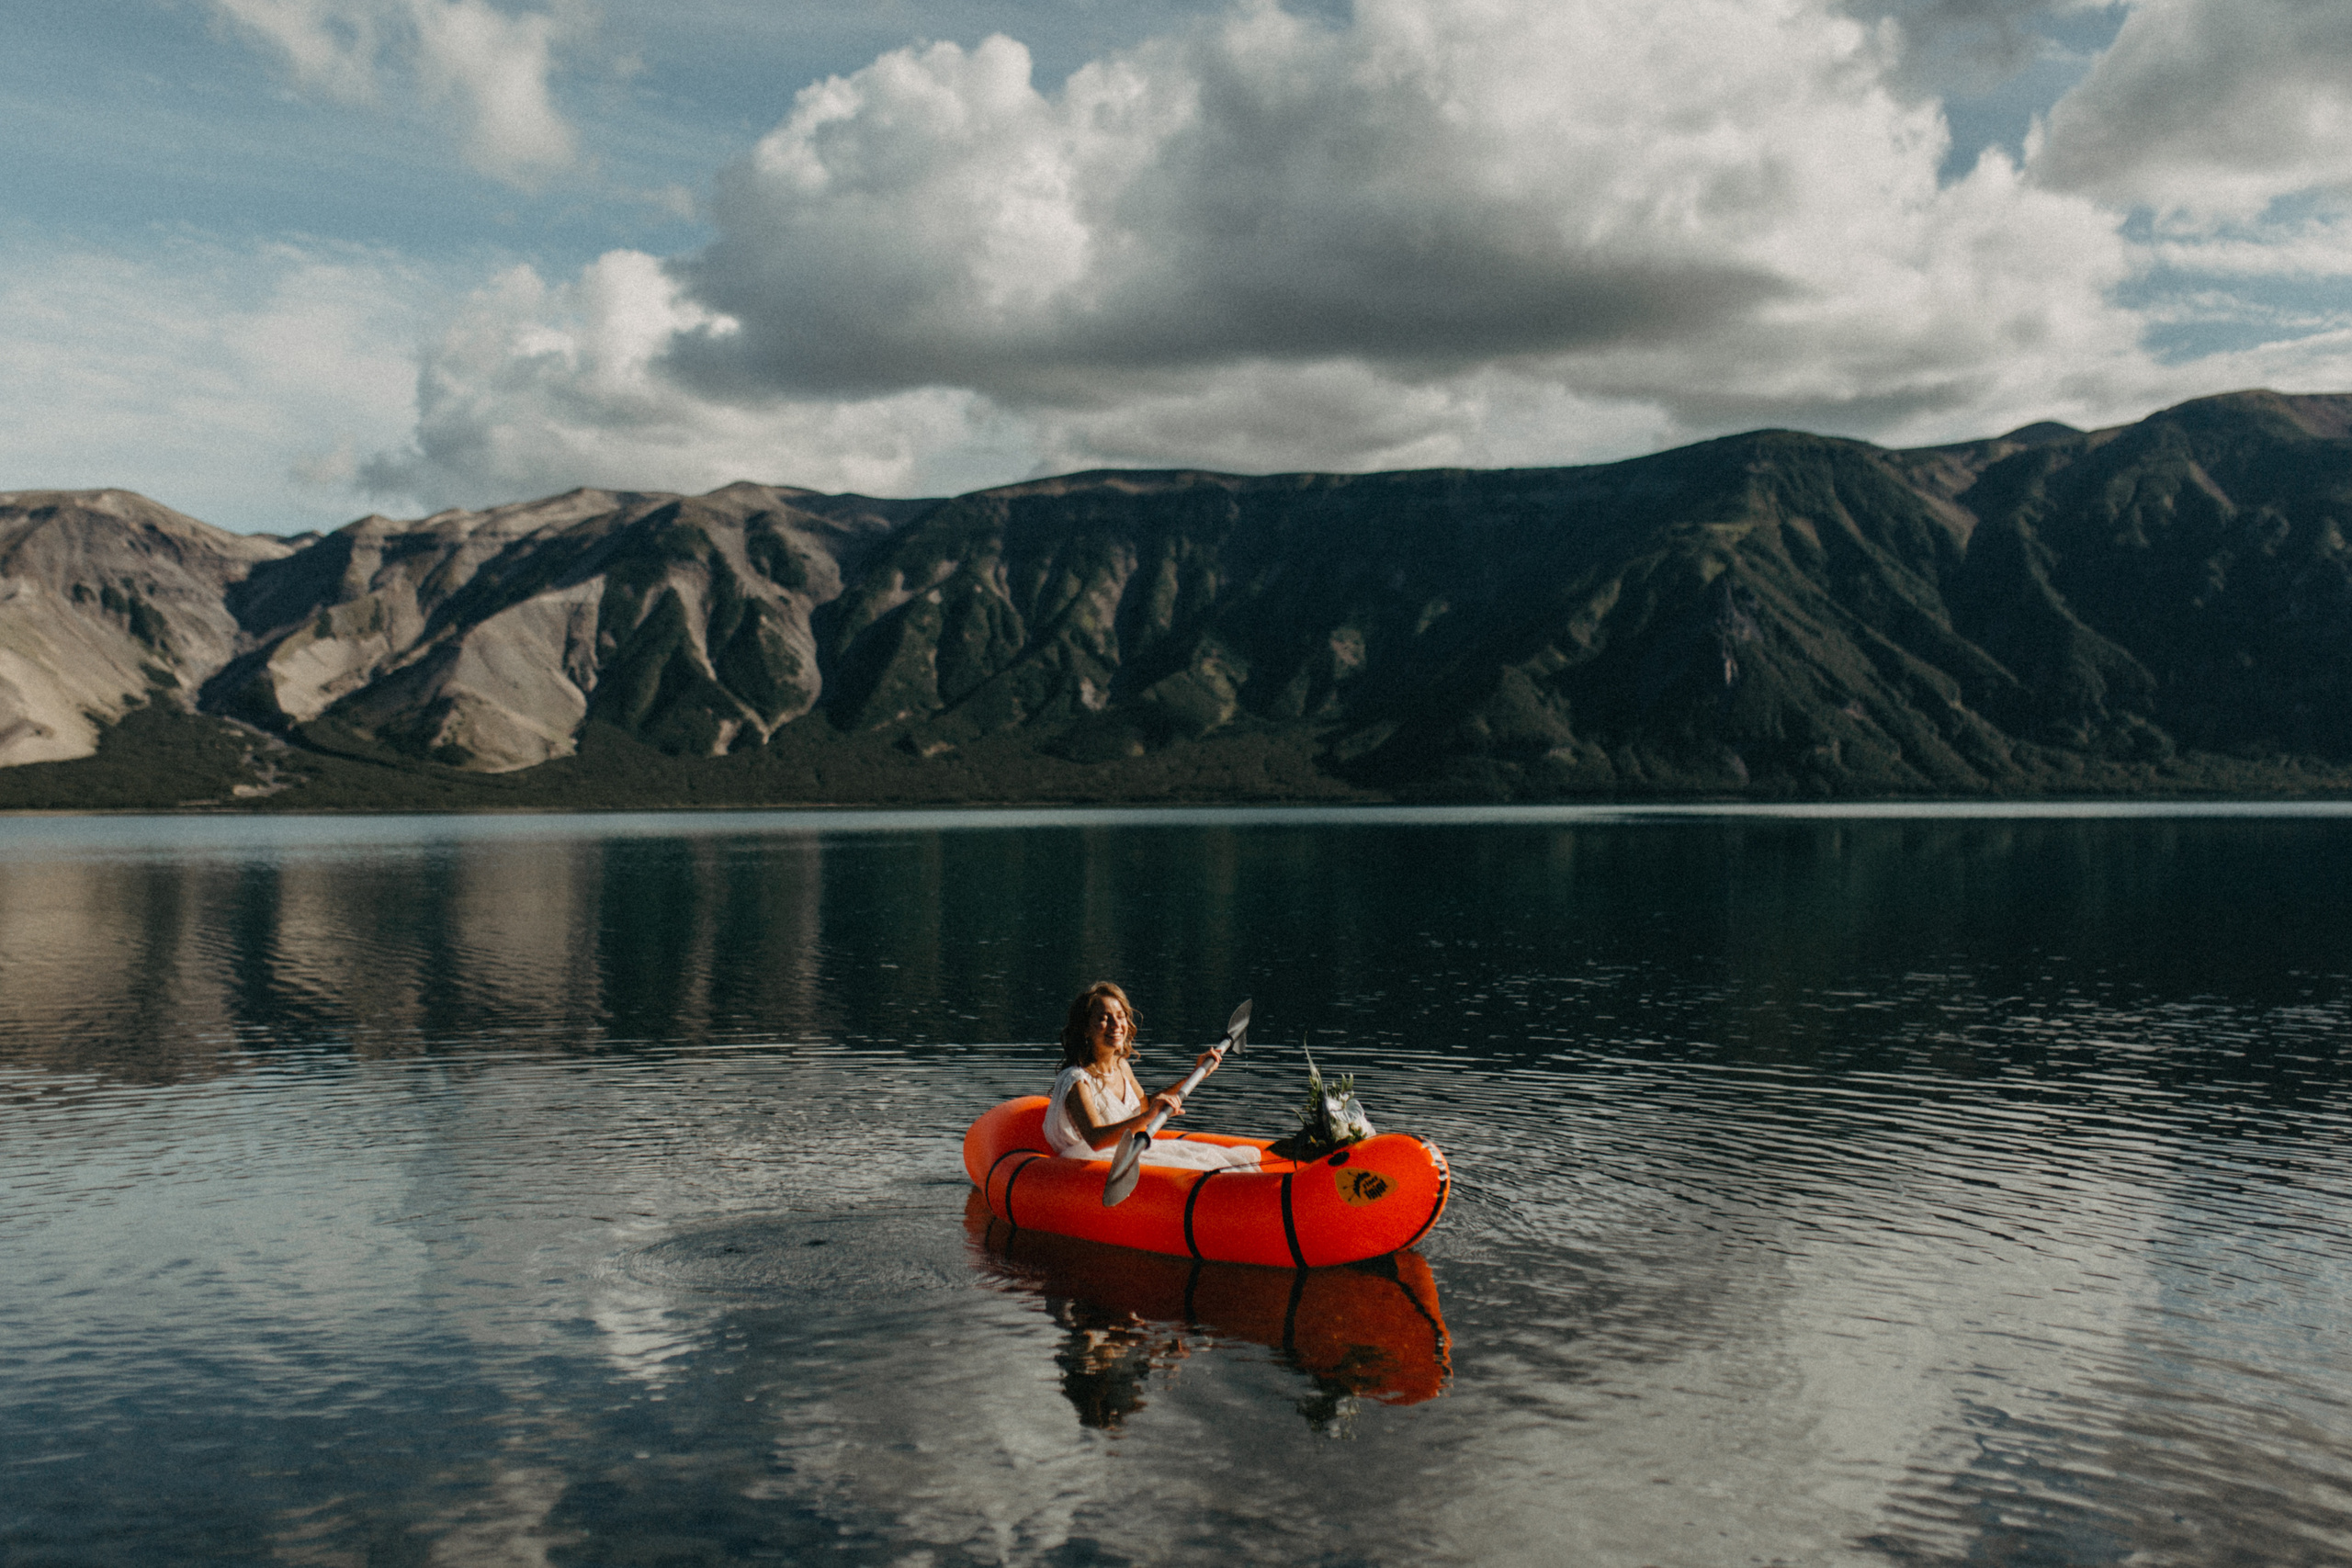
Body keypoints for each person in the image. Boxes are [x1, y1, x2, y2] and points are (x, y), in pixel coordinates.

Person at [1044, 982, 1258, 1171]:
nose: (1116, 1025)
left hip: (1125, 1150)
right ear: (1085, 1029)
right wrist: (1147, 1118)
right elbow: (1095, 1139)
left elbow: (1145, 1106)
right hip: (1091, 1160)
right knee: (1200, 1165)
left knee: (1229, 1158)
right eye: (1103, 1018)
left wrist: (1196, 1074)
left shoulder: (1122, 1067)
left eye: (1120, 1016)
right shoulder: (1076, 1079)